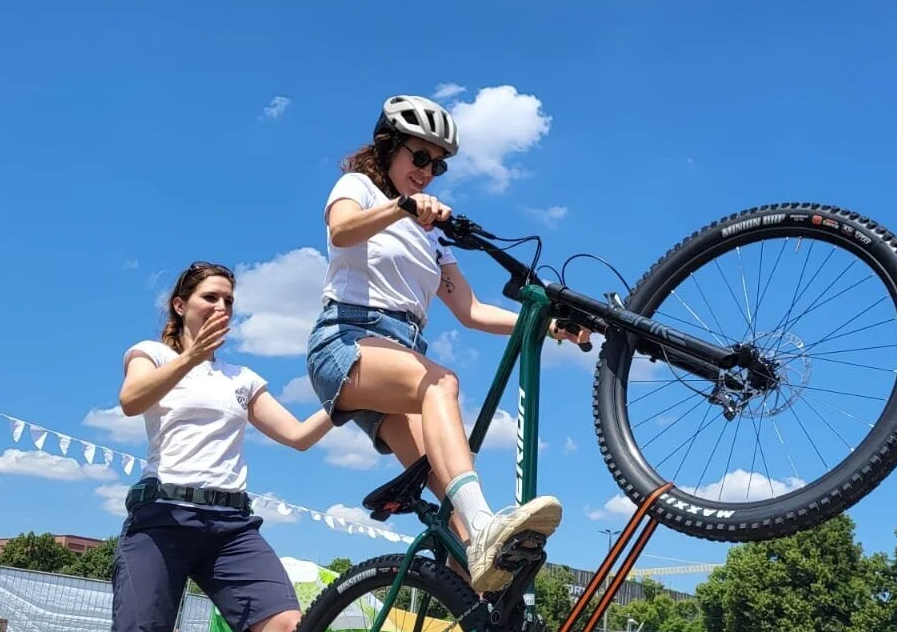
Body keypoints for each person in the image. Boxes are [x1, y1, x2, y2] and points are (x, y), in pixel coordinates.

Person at [305, 94, 591, 594]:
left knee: (454, 514)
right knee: (442, 383)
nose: (428, 172)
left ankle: (476, 596)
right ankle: (486, 527)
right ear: (386, 147)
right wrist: (401, 207)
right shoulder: (362, 189)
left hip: (399, 359)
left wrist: (546, 326)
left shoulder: (432, 237)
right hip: (346, 343)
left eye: (437, 165)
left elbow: (472, 312)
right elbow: (342, 230)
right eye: (419, 157)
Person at [112, 261, 333, 632]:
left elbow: (298, 436)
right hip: (162, 518)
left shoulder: (241, 378)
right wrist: (190, 358)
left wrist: (344, 404)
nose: (222, 307)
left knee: (287, 625)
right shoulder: (151, 354)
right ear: (180, 306)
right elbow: (131, 400)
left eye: (228, 301)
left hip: (231, 526)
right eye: (210, 297)